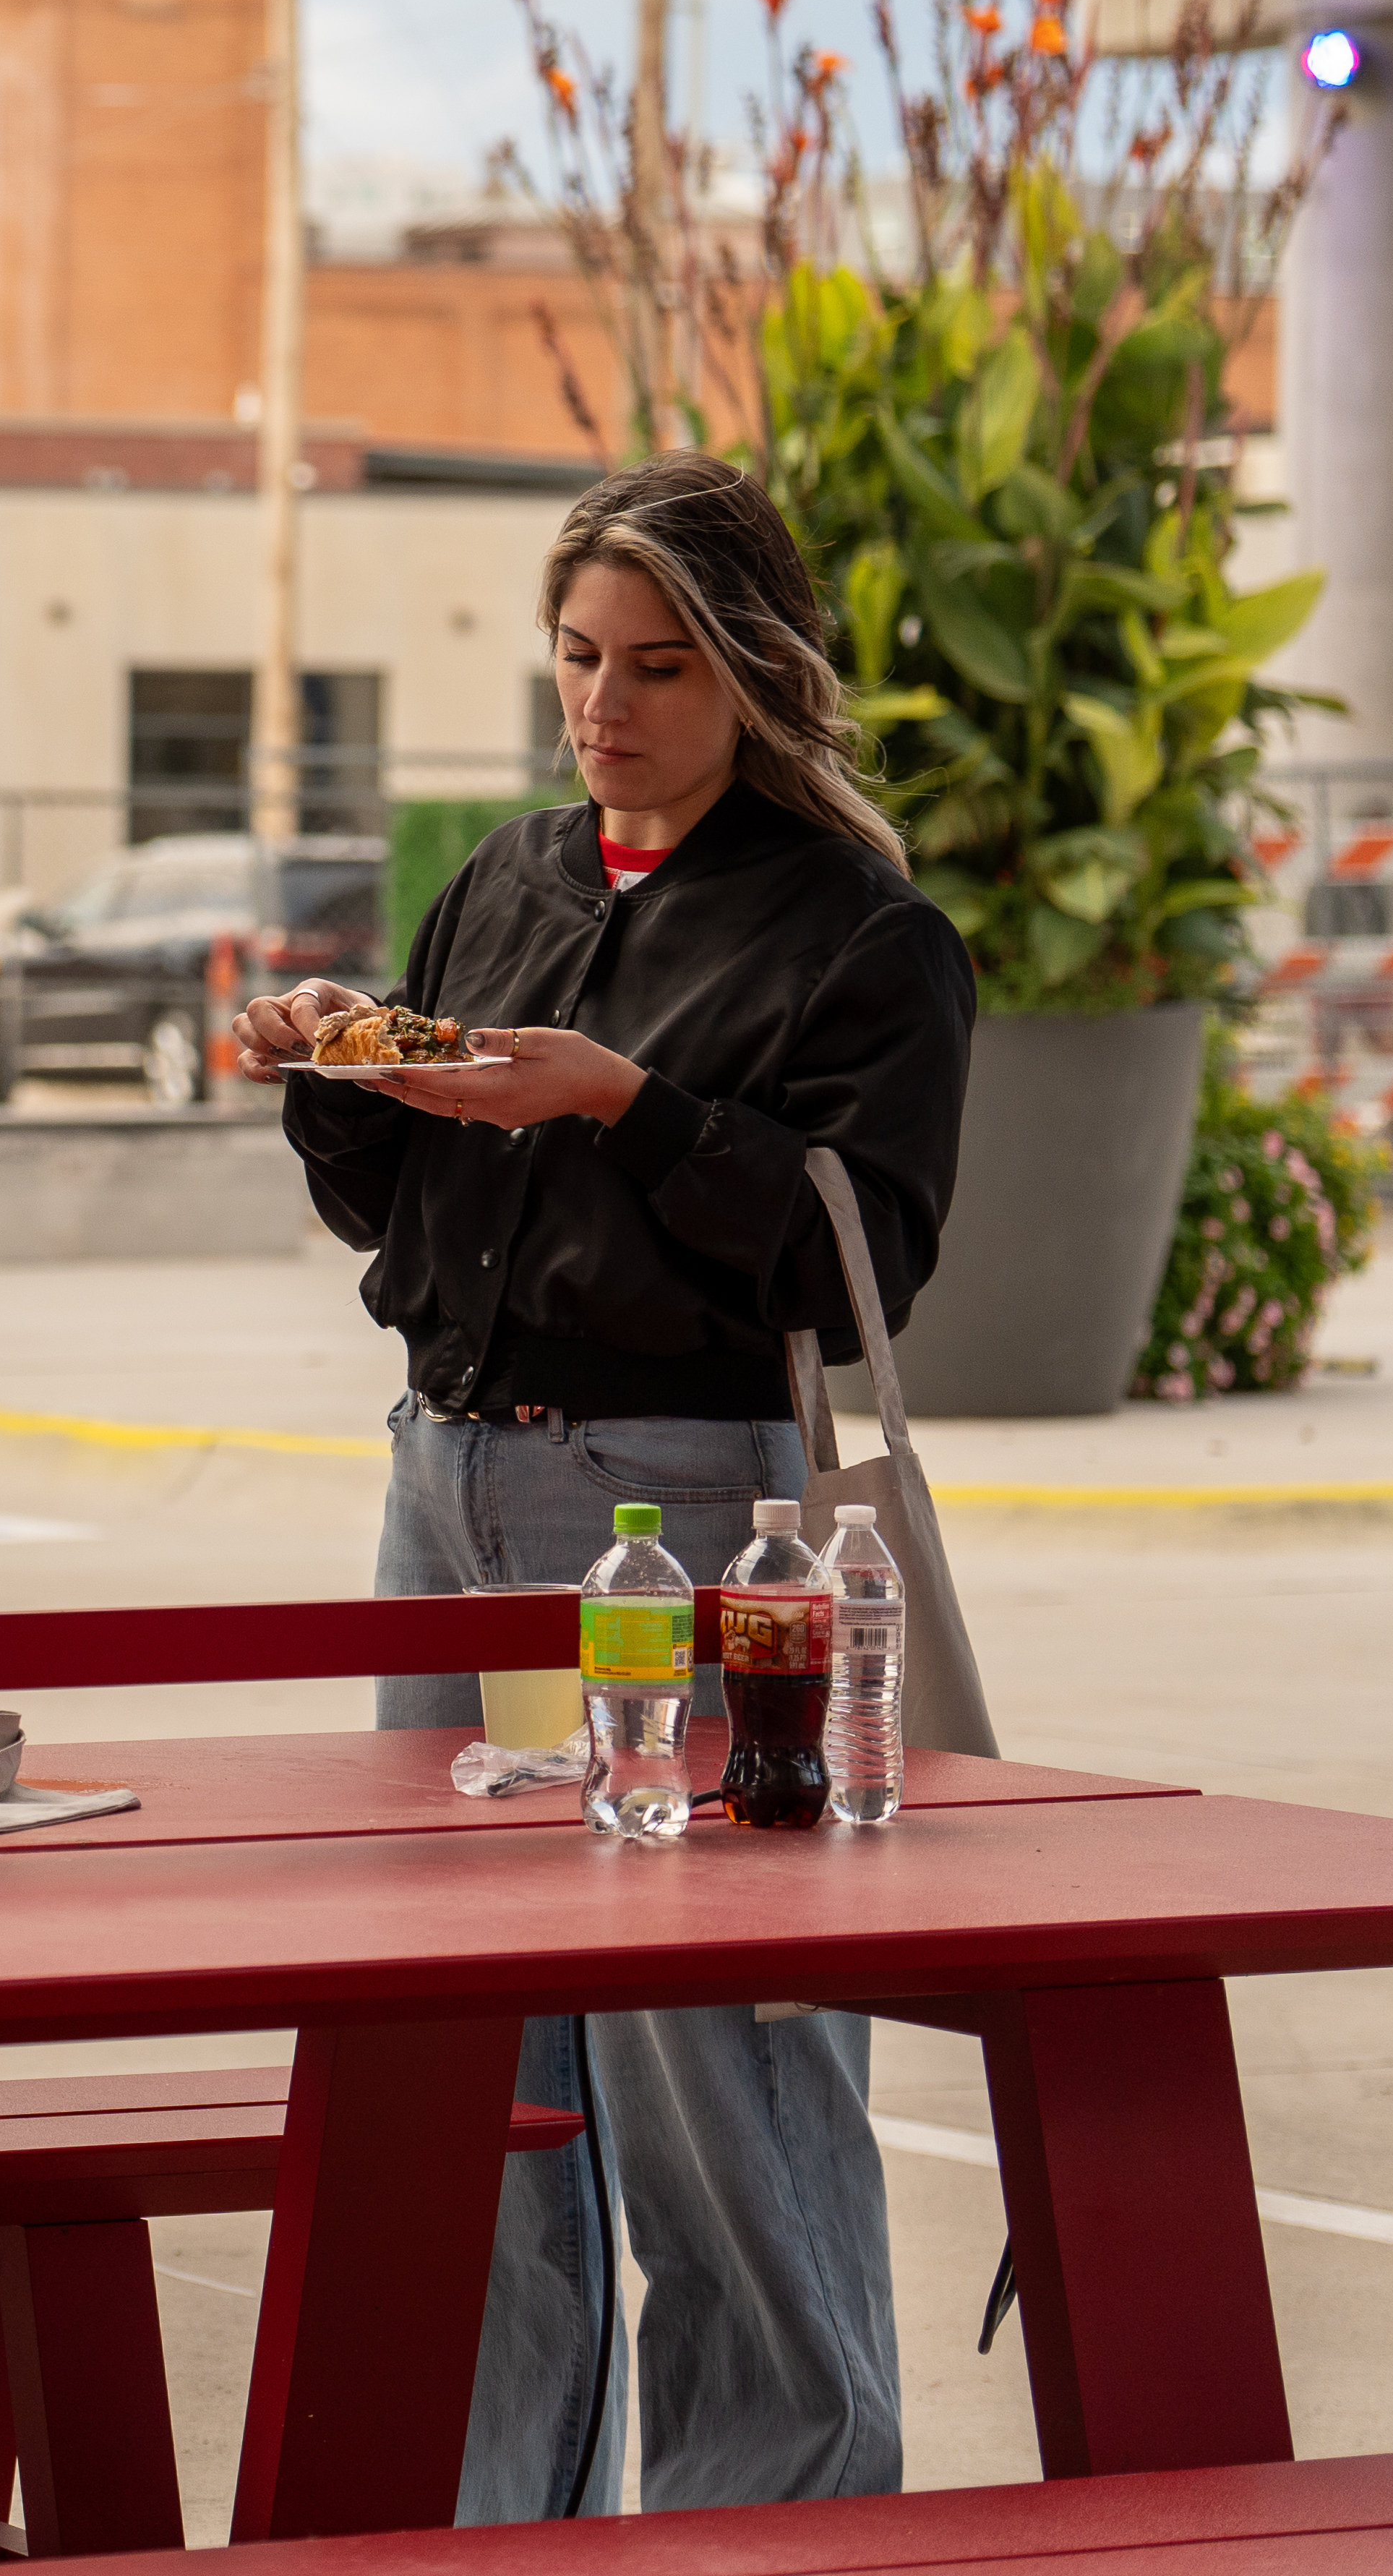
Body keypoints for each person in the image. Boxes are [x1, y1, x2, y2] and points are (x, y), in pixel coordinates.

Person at [230, 448, 972, 2524]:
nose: (606, 703)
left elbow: (866, 1261)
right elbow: (407, 1219)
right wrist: (340, 1080)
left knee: (721, 2058)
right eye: (576, 658)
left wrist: (634, 1107)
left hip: (692, 1510)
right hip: (454, 1495)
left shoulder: (859, 934)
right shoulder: (512, 880)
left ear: (754, 677)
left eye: (658, 664)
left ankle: (785, 2516)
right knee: (470, 2070)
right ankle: (485, 2526)